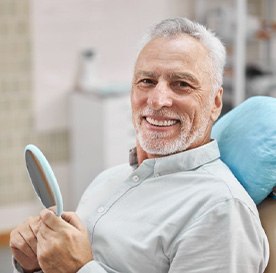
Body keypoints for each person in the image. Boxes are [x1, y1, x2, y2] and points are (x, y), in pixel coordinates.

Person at [10, 17, 269, 273]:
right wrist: (35, 263)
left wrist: (80, 269)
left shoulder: (221, 210)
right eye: (147, 81)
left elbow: (75, 265)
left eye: (181, 84)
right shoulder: (107, 180)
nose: (157, 100)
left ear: (215, 102)